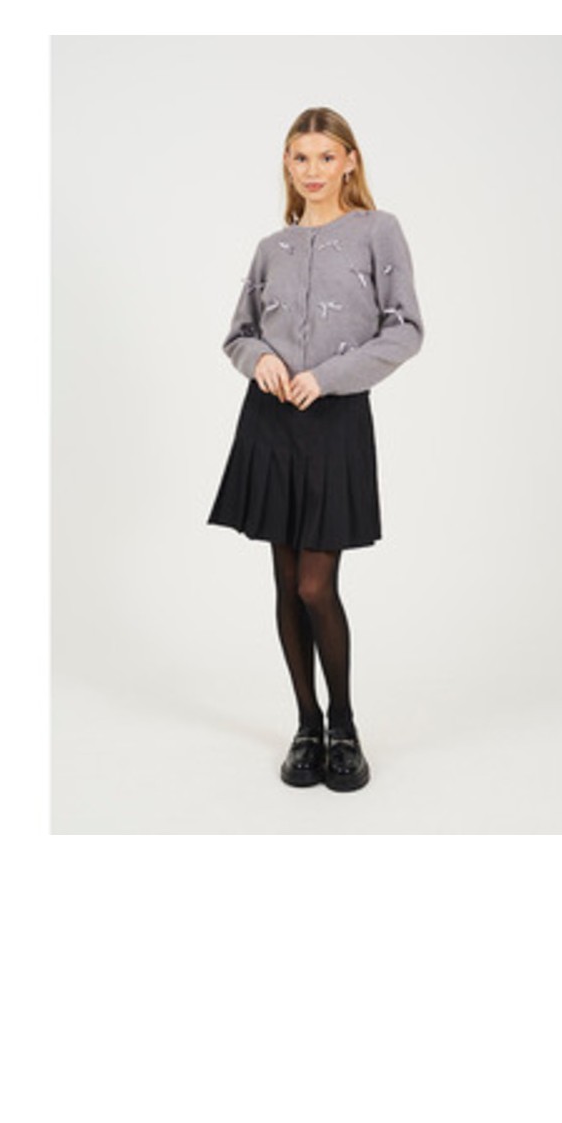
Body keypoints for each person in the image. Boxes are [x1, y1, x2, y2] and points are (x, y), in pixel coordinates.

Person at [206, 106, 425, 792]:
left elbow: (405, 329)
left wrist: (326, 377)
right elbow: (239, 333)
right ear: (287, 163)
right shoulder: (272, 247)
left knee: (314, 585)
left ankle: (344, 726)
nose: (313, 171)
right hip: (269, 424)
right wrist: (261, 360)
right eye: (300, 157)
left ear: (350, 161)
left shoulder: (378, 231)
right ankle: (306, 726)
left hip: (335, 422)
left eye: (326, 157)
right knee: (285, 586)